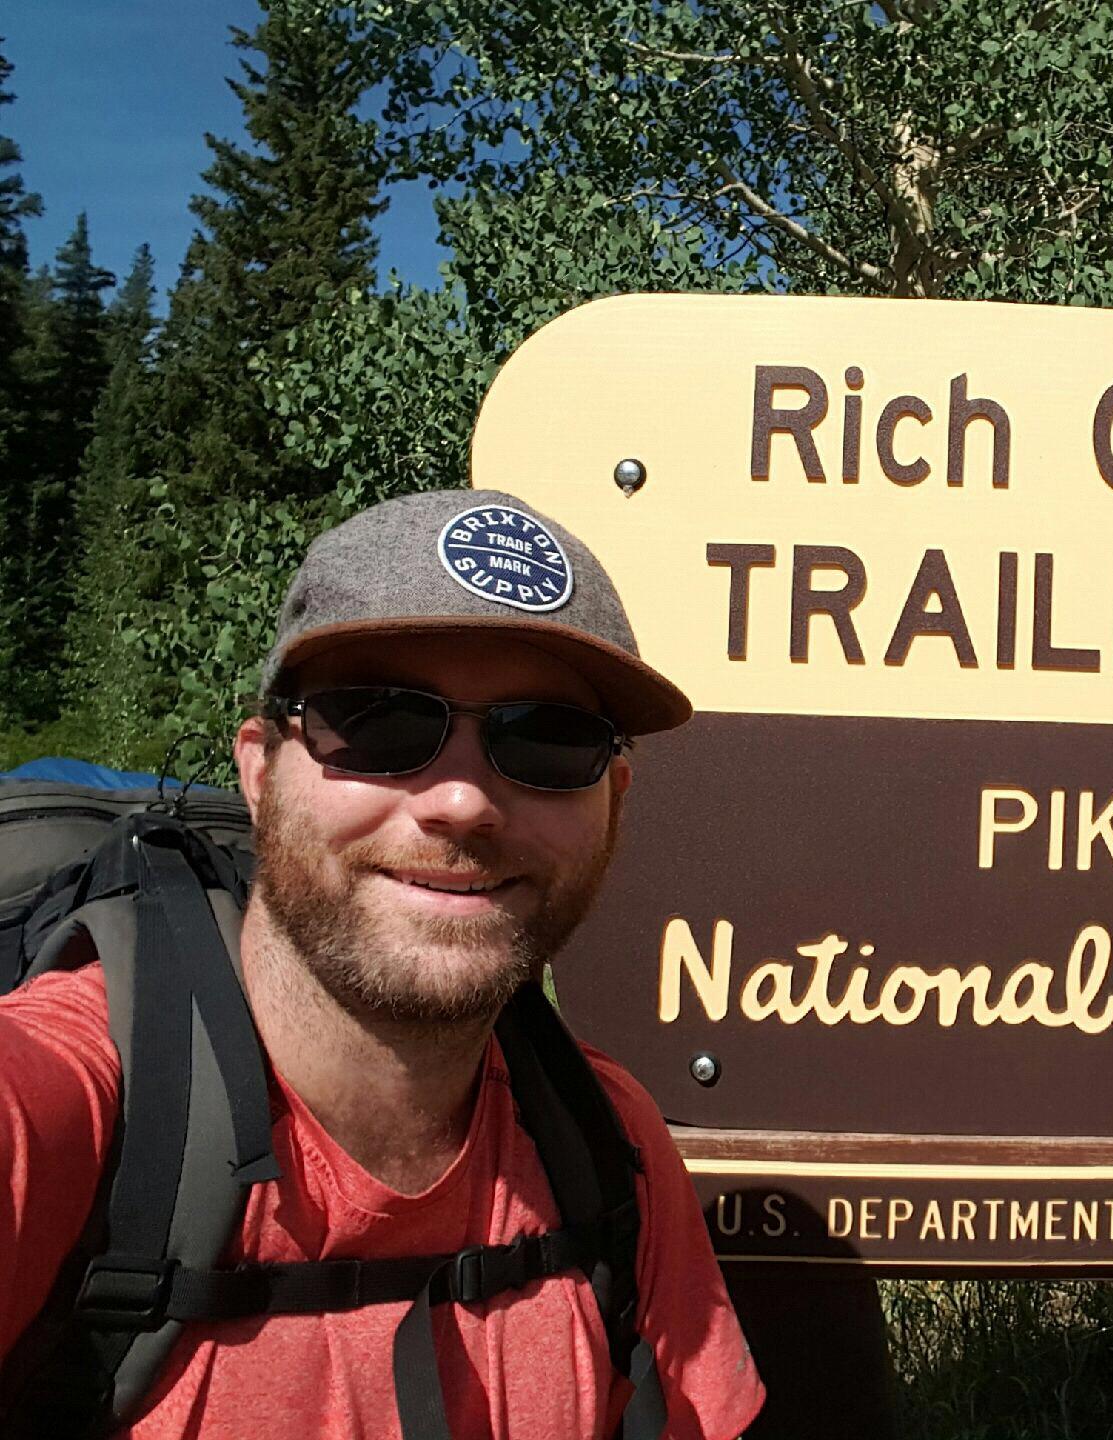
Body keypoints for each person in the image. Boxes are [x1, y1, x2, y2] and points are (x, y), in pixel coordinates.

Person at [0, 490, 765, 1438]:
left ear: (613, 796)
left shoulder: (608, 1144)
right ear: (258, 769)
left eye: (546, 740)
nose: (460, 801)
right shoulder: (63, 1100)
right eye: (377, 722)